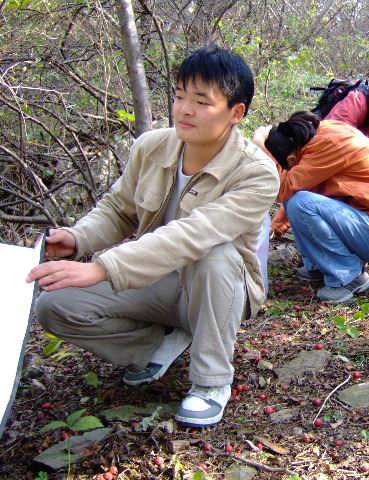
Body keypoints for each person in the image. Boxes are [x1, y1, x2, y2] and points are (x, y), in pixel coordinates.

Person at [26, 46, 280, 428]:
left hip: (218, 290)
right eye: (179, 96)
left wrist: (103, 267)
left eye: (201, 102)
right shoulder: (152, 147)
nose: (185, 110)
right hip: (157, 284)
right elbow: (118, 209)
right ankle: (156, 347)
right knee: (55, 306)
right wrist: (78, 239)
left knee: (214, 255)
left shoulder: (256, 173)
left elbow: (194, 234)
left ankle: (211, 382)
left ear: (236, 112)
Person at [252, 111, 369, 303]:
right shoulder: (317, 135)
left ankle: (349, 277)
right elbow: (295, 191)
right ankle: (320, 266)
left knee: (302, 203)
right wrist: (276, 228)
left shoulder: (329, 144)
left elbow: (283, 188)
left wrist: (261, 147)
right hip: (368, 223)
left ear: (291, 159)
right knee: (297, 200)